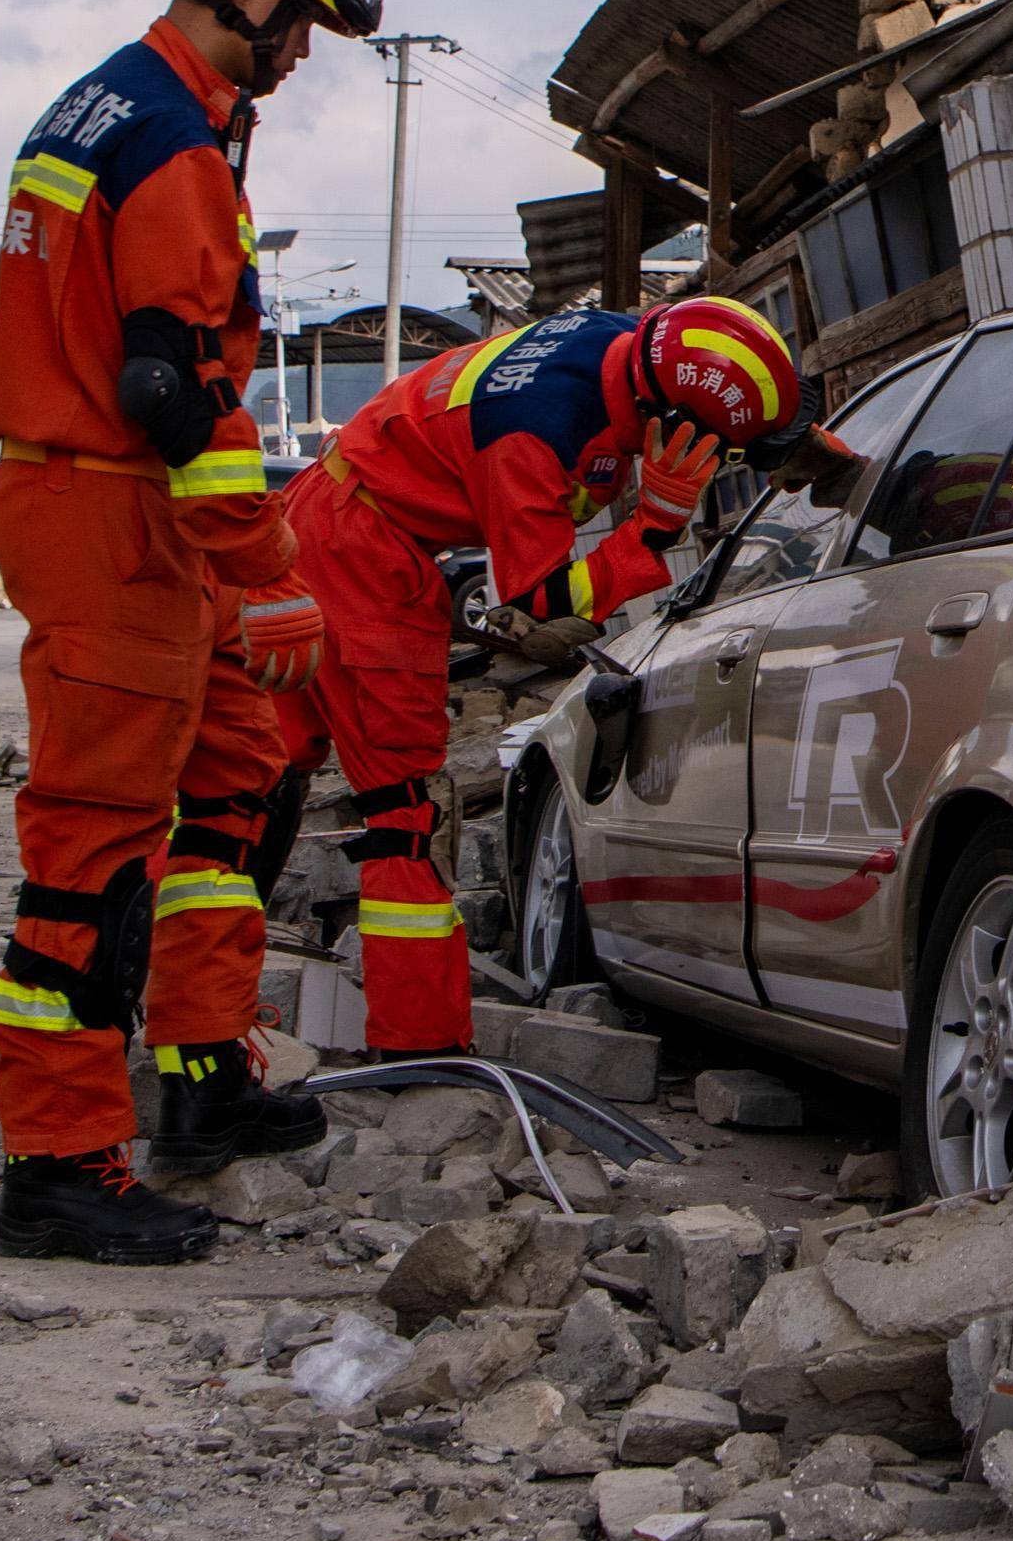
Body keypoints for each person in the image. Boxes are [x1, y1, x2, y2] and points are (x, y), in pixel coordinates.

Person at [0, 0, 379, 1265]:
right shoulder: (172, 144)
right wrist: (266, 563)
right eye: (307, 19)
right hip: (115, 514)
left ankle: (204, 1075)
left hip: (114, 506)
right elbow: (174, 391)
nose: (309, 50)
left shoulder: (117, 103)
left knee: (234, 776)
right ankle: (60, 1161)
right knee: (91, 848)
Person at [291, 296, 850, 1054]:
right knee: (404, 812)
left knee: (244, 792)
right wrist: (650, 527)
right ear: (670, 425)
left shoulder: (632, 342)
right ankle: (417, 1044)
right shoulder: (531, 435)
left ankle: (191, 1024)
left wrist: (801, 450)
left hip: (321, 522)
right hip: (361, 554)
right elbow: (540, 615)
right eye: (717, 450)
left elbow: (706, 384)